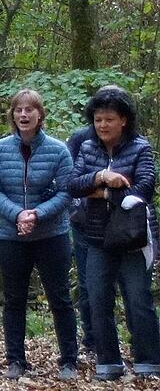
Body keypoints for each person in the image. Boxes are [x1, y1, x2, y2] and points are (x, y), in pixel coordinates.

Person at [67, 85, 160, 380]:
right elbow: (71, 184)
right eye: (98, 120)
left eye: (108, 119)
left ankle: (148, 360)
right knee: (96, 298)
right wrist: (101, 176)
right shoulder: (87, 147)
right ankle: (108, 362)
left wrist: (102, 194)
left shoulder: (140, 147)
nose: (103, 125)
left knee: (138, 299)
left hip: (133, 238)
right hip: (96, 236)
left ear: (123, 120)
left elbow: (142, 189)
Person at [0, 89, 78, 381]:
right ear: (12, 115)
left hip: (52, 235)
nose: (23, 115)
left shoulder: (58, 150)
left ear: (40, 115)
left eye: (29, 110)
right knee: (14, 299)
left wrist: (36, 214)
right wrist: (18, 214)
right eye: (18, 110)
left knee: (60, 298)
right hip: (11, 236)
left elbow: (67, 192)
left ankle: (69, 361)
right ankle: (15, 360)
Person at [66, 125, 97, 354]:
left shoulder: (135, 141)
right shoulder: (80, 138)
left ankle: (139, 344)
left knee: (127, 285)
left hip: (124, 223)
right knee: (88, 283)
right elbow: (70, 181)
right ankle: (92, 339)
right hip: (84, 222)